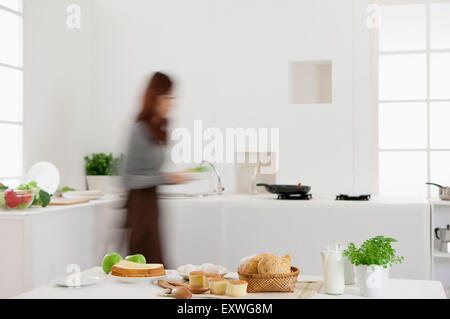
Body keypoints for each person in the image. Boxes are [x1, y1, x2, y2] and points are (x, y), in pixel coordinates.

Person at [123, 72, 186, 264]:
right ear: (154, 97)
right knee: (146, 266)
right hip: (139, 207)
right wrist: (165, 178)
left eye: (172, 98)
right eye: (166, 97)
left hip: (151, 204)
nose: (171, 103)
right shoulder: (139, 130)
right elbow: (128, 178)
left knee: (155, 264)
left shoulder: (157, 127)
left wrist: (167, 178)